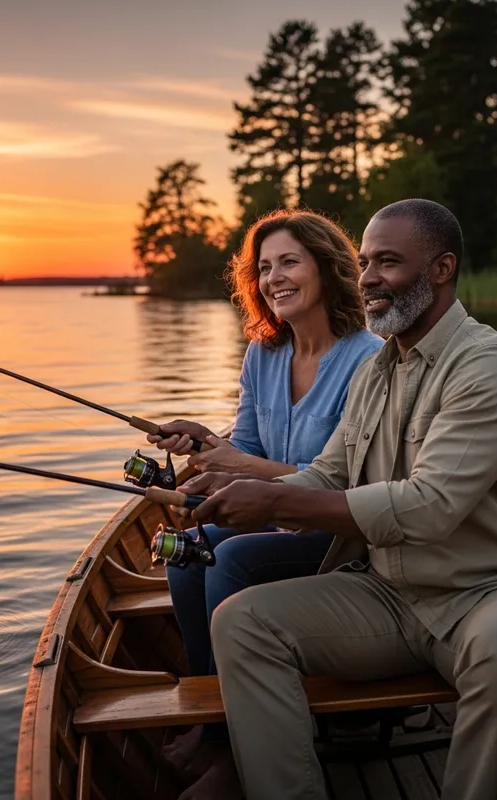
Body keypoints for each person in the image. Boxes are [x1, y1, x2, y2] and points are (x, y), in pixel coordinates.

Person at [178, 199, 497, 800]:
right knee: (242, 621)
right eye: (364, 262)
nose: (368, 278)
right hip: (388, 591)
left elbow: (428, 505)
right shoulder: (376, 371)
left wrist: (274, 505)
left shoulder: (489, 367)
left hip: (490, 591)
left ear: (440, 269)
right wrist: (244, 493)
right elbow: (331, 473)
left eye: (388, 261)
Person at [146, 210, 383, 778]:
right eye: (264, 267)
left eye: (289, 262)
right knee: (187, 553)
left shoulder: (370, 359)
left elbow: (354, 482)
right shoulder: (263, 354)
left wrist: (239, 464)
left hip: (339, 534)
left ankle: (233, 751)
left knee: (228, 555)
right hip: (274, 519)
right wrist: (204, 442)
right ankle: (213, 717)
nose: (273, 277)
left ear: (327, 269)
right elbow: (245, 446)